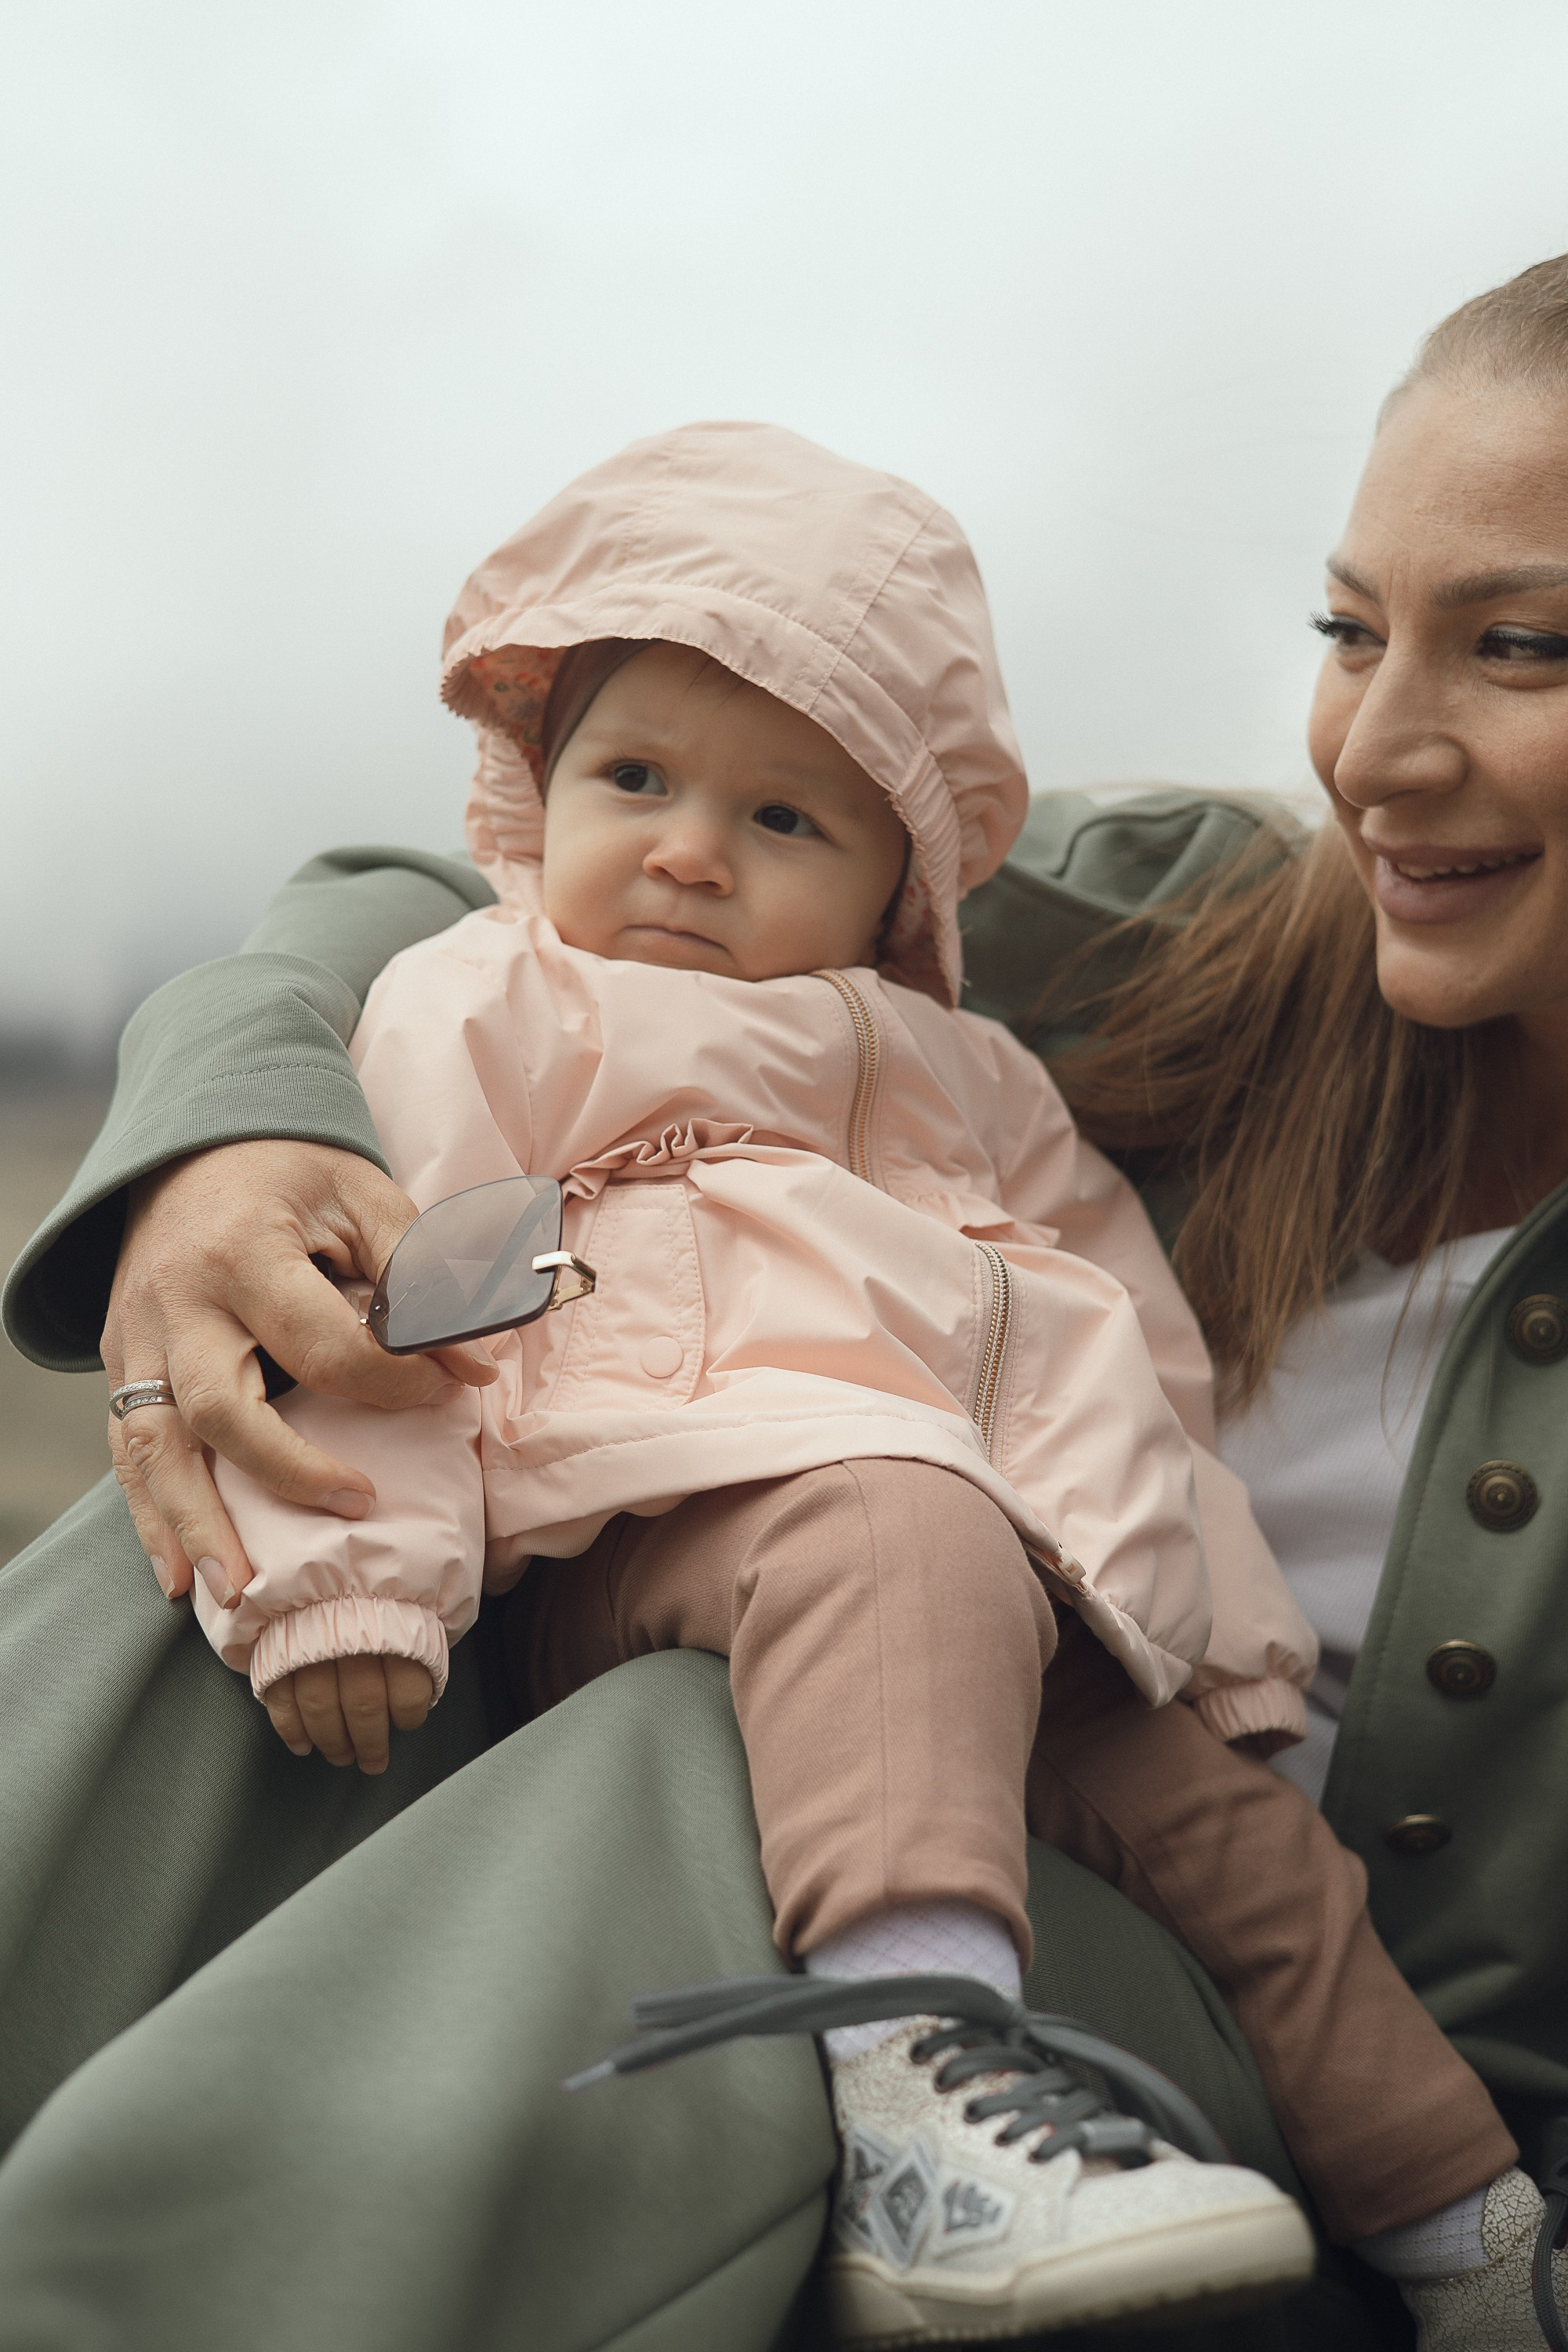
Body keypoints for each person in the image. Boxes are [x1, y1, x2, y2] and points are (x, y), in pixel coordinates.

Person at [7, 256, 1568, 2350]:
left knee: (739, 1702)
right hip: (695, 1596)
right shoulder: (1200, 931)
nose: (1376, 754)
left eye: (1525, 647)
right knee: (237, 1466)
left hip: (1209, 2020)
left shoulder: (974, 1079)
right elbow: (429, 913)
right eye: (1347, 631)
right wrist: (228, 1150)